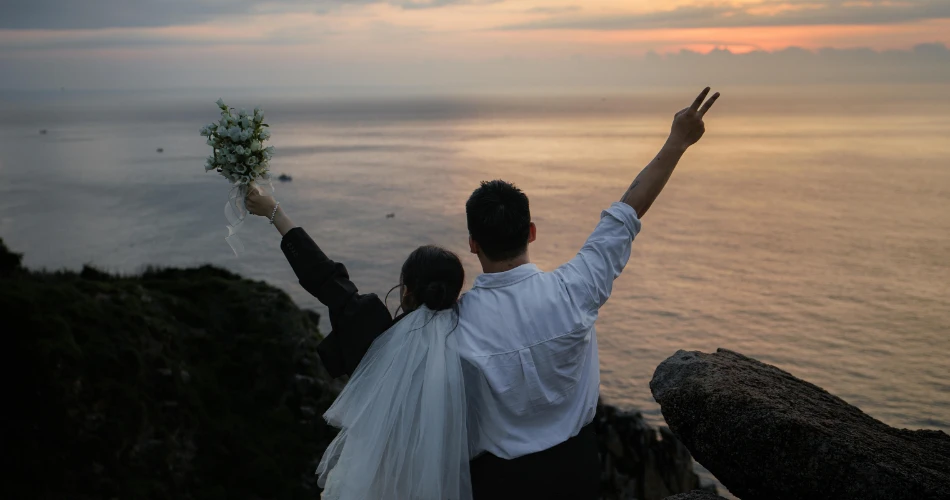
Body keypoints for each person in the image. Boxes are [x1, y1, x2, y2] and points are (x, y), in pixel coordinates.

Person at [247, 86, 720, 499]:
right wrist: (678, 141)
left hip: (496, 484)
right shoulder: (576, 288)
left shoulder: (447, 328)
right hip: (578, 471)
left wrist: (276, 215)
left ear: (472, 245)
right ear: (531, 231)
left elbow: (338, 291)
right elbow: (627, 211)